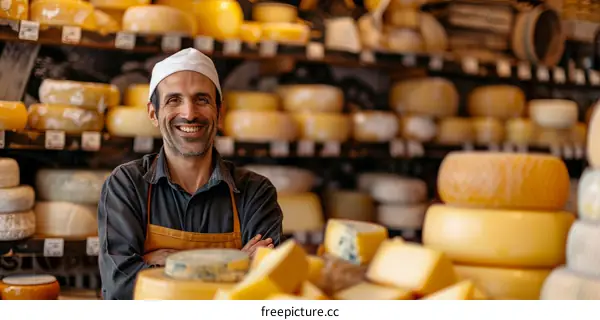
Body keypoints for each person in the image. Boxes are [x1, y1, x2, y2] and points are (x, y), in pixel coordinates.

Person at [97, 48, 284, 300]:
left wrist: (161, 263)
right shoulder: (126, 186)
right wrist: (238, 263)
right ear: (153, 113)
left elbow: (263, 288)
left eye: (202, 100)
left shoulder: (256, 193)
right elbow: (121, 286)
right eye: (174, 100)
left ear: (220, 112)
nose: (189, 113)